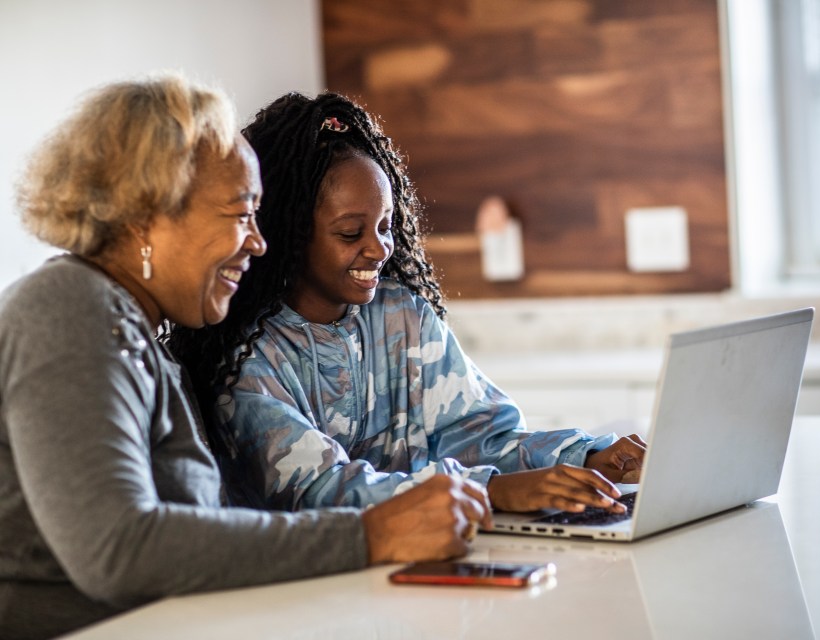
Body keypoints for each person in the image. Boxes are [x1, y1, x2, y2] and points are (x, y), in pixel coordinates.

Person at [0, 74, 491, 640]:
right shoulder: (67, 310)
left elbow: (201, 539)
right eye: (239, 214)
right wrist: (370, 536)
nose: (259, 242)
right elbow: (118, 550)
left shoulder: (136, 334)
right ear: (144, 216)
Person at [168, 91, 646, 518]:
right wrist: (493, 492)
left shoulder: (402, 315)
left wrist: (586, 455)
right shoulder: (249, 357)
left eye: (386, 226)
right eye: (351, 233)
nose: (379, 250)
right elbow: (321, 490)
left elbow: (480, 434)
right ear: (289, 235)